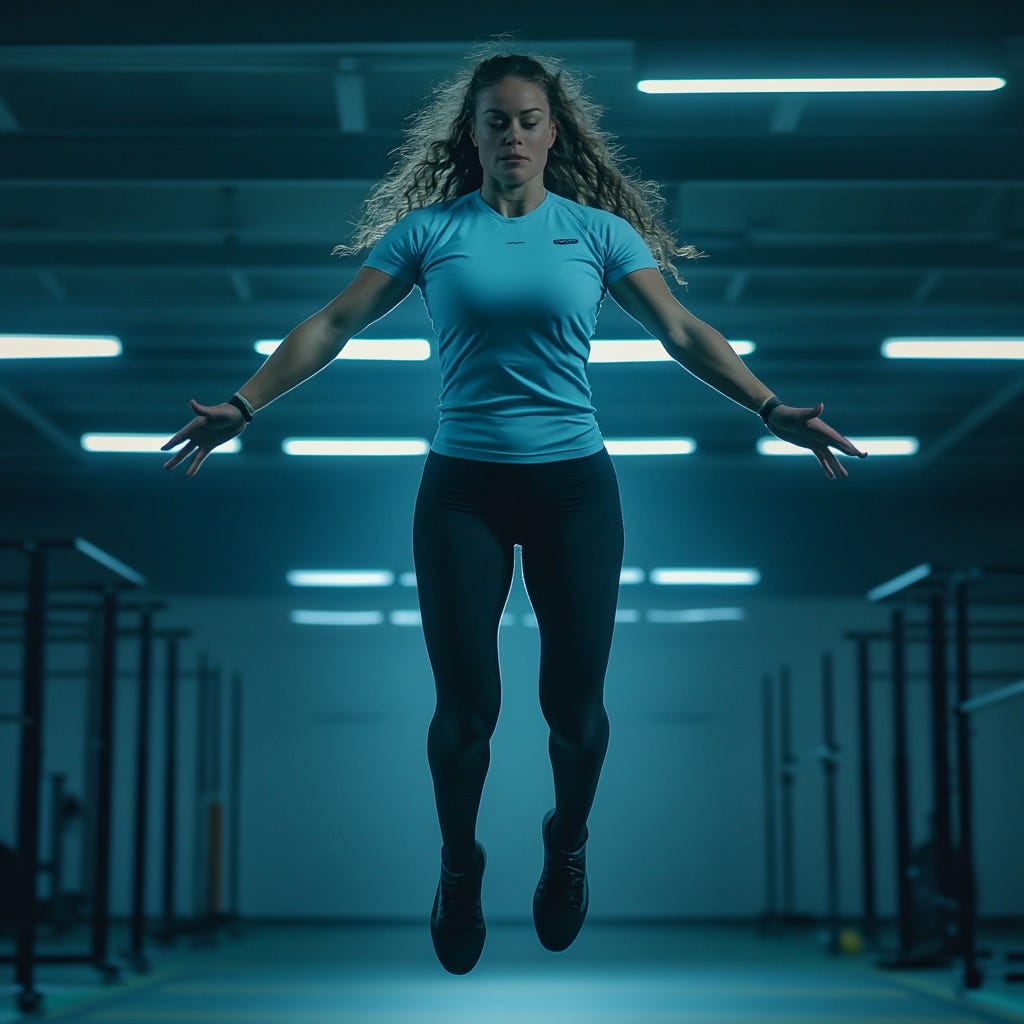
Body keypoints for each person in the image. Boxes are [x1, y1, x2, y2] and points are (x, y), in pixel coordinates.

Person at [162, 49, 866, 976]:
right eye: (496, 120)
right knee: (468, 713)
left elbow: (683, 332)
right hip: (463, 489)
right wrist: (244, 405)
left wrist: (770, 407)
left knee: (572, 713)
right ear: (474, 134)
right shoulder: (429, 233)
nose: (513, 135)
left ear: (553, 131)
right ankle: (460, 866)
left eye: (530, 119)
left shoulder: (599, 234)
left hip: (576, 487)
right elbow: (333, 322)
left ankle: (566, 844)